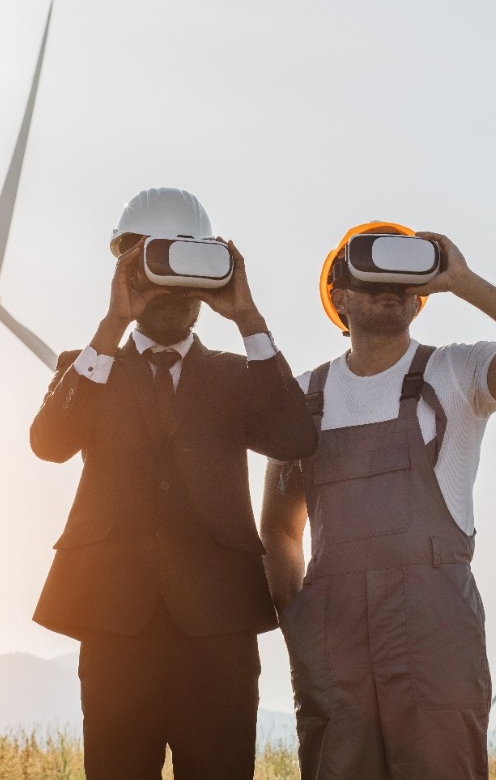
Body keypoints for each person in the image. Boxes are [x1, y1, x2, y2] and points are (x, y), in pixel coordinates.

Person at [260, 222, 496, 780]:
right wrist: (300, 622)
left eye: (402, 277)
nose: (387, 285)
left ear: (421, 299)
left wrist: (464, 280)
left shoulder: (458, 372)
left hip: (435, 631)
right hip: (332, 638)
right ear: (337, 296)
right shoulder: (301, 395)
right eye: (369, 274)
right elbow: (278, 531)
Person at [29, 187, 318, 780]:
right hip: (113, 622)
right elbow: (50, 443)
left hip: (219, 629)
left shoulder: (237, 374)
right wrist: (113, 322)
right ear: (124, 267)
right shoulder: (86, 366)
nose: (169, 292)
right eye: (152, 266)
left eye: (187, 274)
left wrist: (247, 317)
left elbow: (295, 437)